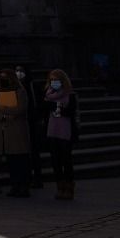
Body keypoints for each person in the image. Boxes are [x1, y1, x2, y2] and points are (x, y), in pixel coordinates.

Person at [0, 67, 31, 197]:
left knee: (20, 161)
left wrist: (4, 109)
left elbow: (21, 108)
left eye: (6, 77)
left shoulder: (20, 90)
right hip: (4, 131)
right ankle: (14, 186)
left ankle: (23, 186)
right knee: (11, 161)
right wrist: (2, 116)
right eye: (1, 77)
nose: (3, 79)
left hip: (17, 131)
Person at [41, 70, 78, 200]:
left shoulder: (69, 94)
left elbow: (71, 112)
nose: (54, 82)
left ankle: (69, 186)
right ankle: (60, 186)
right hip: (52, 130)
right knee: (55, 161)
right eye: (51, 80)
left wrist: (58, 108)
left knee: (66, 160)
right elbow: (44, 110)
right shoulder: (48, 94)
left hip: (65, 130)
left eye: (56, 80)